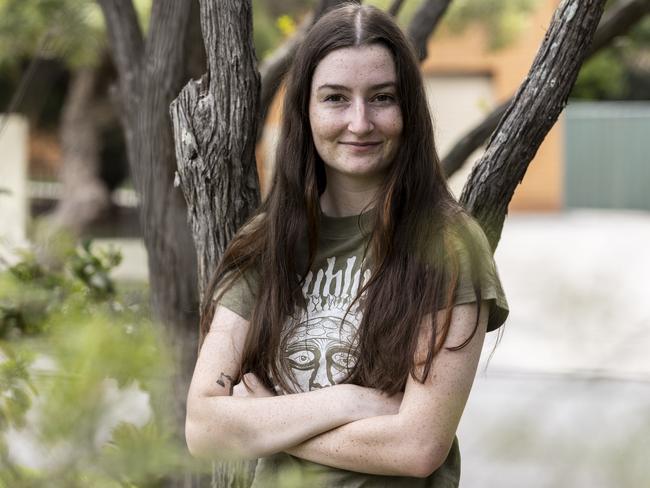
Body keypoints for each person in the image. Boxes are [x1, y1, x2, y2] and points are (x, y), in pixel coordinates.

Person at [186, 4, 508, 487]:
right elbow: (204, 428)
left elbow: (417, 447)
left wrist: (269, 422)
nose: (360, 123)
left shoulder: (447, 244)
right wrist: (344, 402)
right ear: (306, 111)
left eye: (381, 98)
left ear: (408, 111)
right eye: (336, 98)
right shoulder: (265, 243)